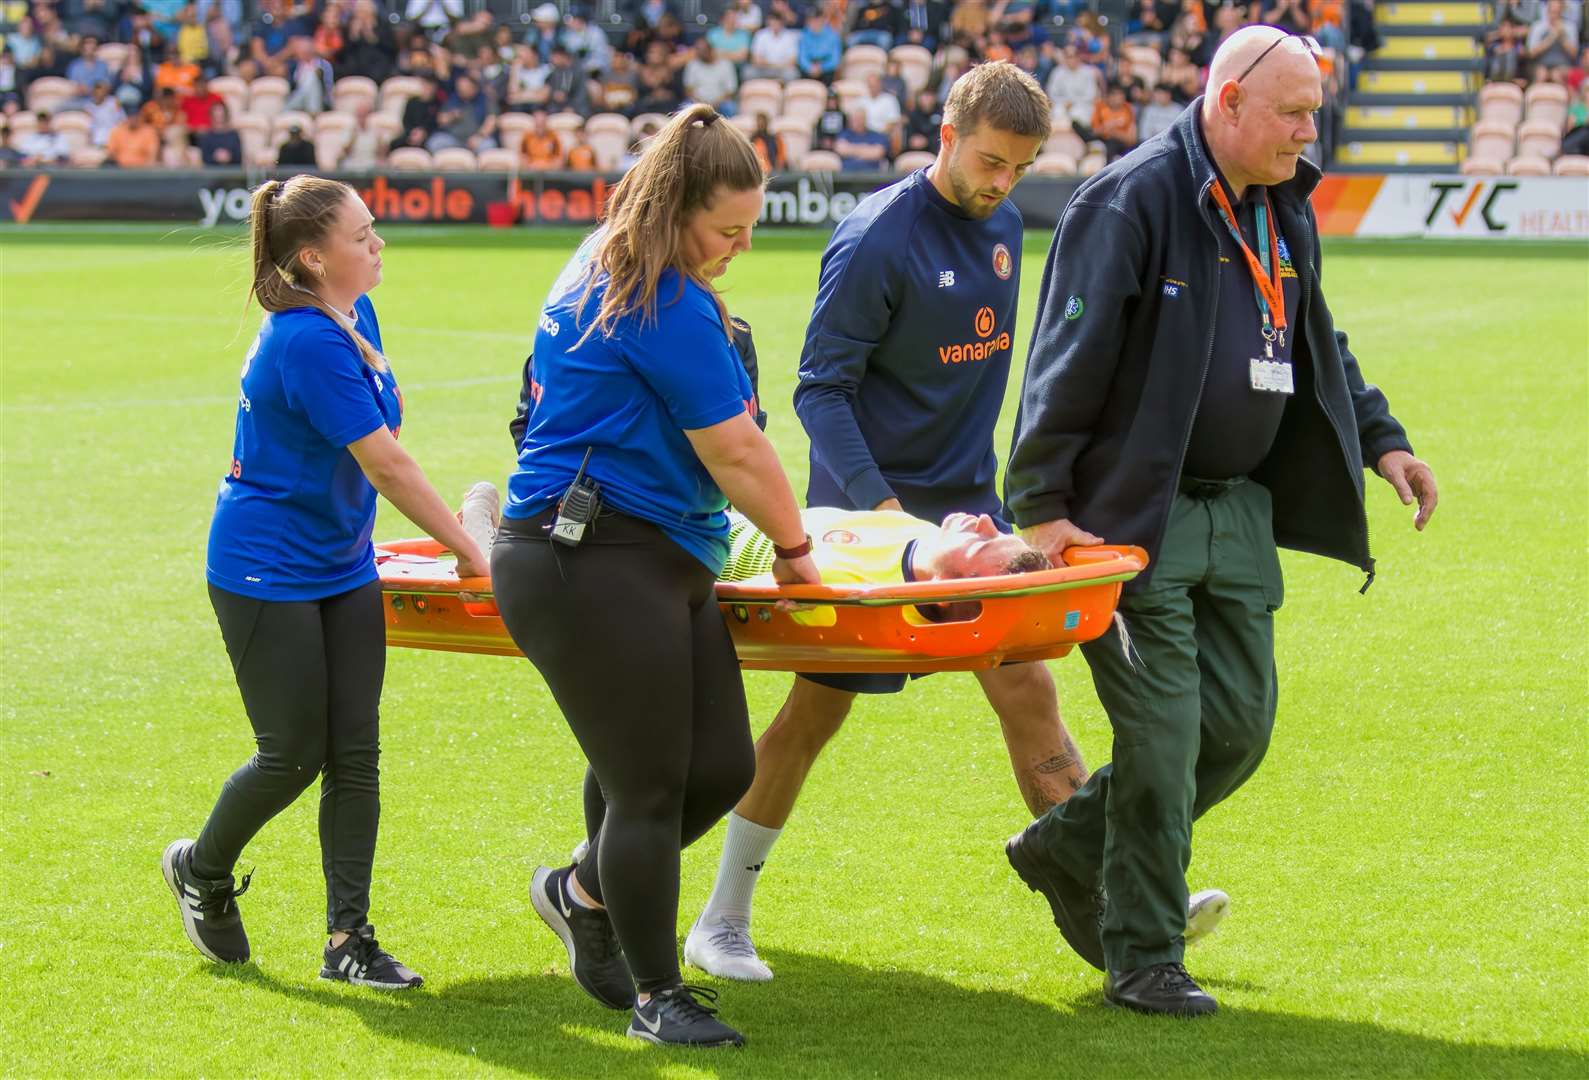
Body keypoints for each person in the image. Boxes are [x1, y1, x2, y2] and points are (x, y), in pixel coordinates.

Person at [684, 60, 1231, 985]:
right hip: (869, 529)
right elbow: (820, 390)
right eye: (987, 161)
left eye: (1017, 168)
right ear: (945, 135)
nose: (999, 183)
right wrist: (884, 510)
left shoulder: (1007, 223)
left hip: (973, 520)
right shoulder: (873, 240)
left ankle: (1122, 889)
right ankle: (720, 919)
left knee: (1030, 694)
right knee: (814, 715)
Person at [1003, 26, 1439, 1018]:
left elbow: (1312, 334)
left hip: (1237, 512)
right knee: (1160, 738)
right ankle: (1143, 957)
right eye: (1290, 112)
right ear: (1228, 101)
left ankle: (1062, 845)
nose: (1306, 131)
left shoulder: (1282, 205)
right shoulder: (1131, 198)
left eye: (1311, 112)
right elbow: (1062, 352)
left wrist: (1380, 438)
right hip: (1133, 517)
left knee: (1235, 731)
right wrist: (1042, 508)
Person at [492, 104, 821, 1049]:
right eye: (727, 228)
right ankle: (657, 995)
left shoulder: (618, 261)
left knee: (718, 767)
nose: (741, 246)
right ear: (675, 209)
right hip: (587, 555)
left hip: (656, 551)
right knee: (645, 787)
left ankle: (580, 890)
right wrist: (799, 555)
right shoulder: (656, 297)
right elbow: (738, 452)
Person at [161, 175, 488, 989]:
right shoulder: (303, 338)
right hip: (264, 567)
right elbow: (384, 462)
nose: (378, 243)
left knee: (355, 750)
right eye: (362, 234)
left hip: (340, 562)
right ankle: (200, 870)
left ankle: (350, 941)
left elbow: (375, 442)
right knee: (291, 754)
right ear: (312, 257)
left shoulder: (353, 314)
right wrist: (468, 548)